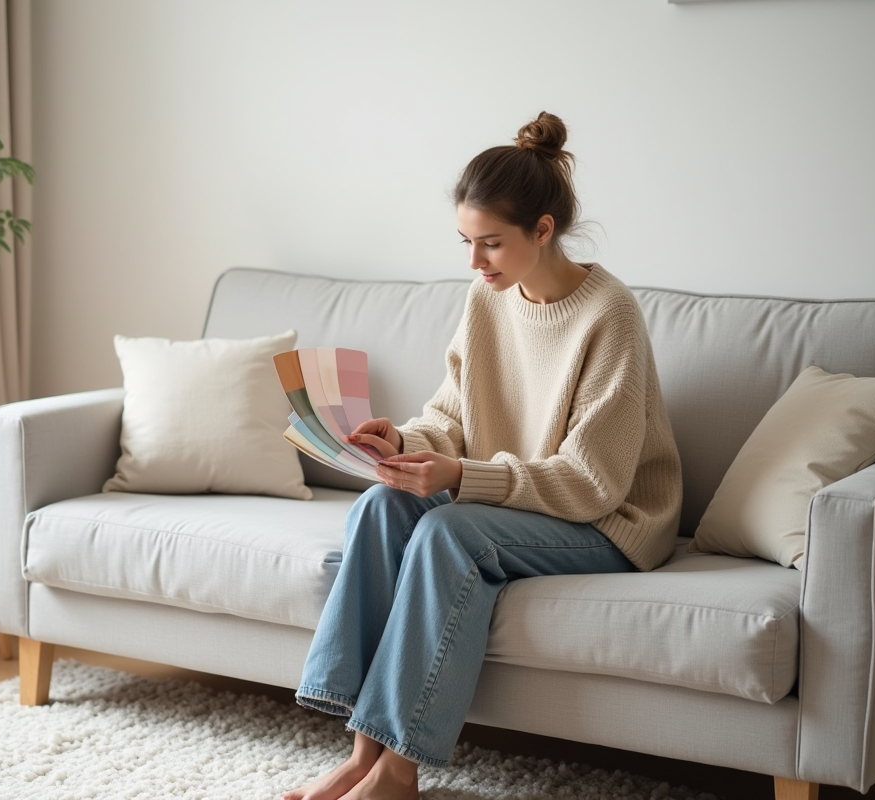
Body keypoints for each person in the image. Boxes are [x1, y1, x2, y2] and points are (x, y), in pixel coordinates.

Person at [282, 112, 683, 800]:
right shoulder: (486, 300)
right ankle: (362, 754)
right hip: (524, 503)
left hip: (608, 522)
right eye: (467, 243)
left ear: (543, 229)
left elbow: (592, 482)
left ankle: (399, 772)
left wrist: (463, 477)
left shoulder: (610, 314)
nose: (475, 262)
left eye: (491, 244)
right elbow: (451, 417)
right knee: (381, 505)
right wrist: (403, 445)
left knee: (448, 532)